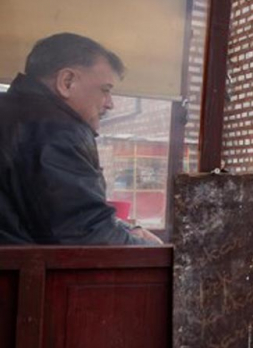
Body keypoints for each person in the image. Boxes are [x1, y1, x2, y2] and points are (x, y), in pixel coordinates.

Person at [0, 33, 161, 245]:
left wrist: (126, 229)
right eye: (105, 90)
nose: (110, 104)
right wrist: (154, 250)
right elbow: (87, 237)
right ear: (66, 81)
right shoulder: (57, 130)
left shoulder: (10, 112)